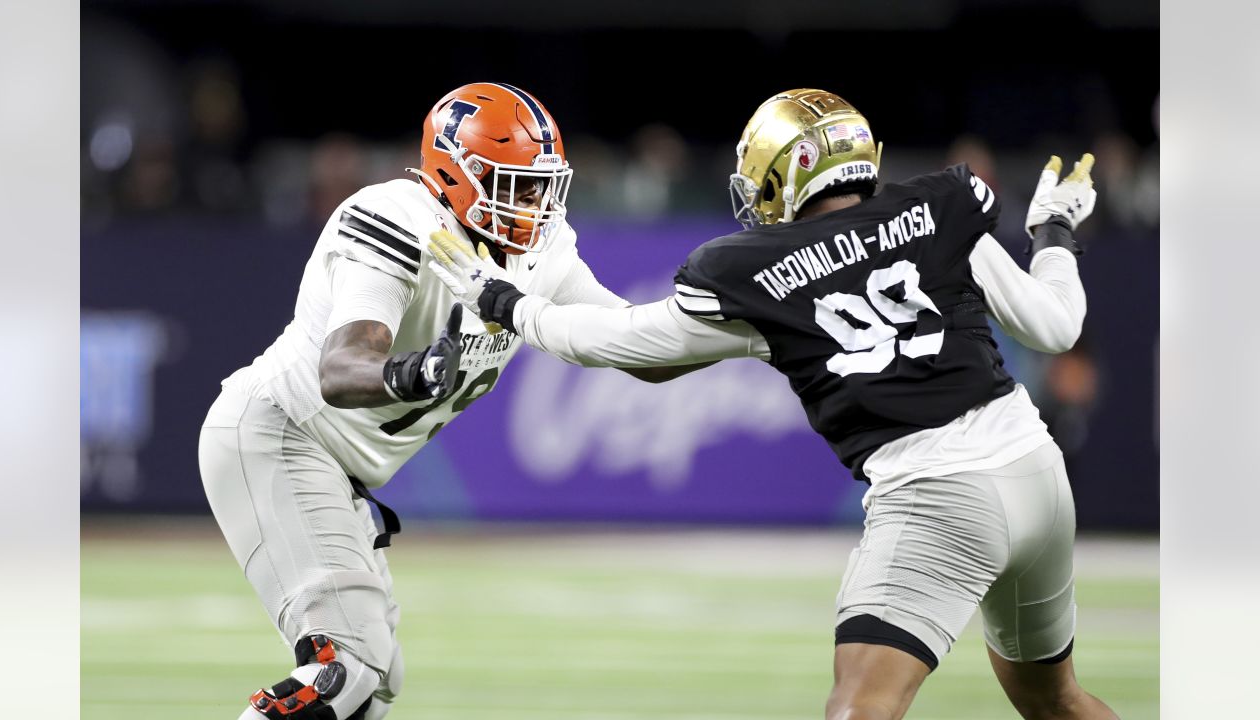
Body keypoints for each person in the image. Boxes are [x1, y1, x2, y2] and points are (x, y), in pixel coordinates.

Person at [428, 89, 1119, 719]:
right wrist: (1054, 230)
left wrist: (508, 304)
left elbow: (617, 342)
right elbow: (1055, 326)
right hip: (1035, 471)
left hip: (935, 492)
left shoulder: (750, 270)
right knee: (1055, 701)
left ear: (786, 174)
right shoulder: (942, 205)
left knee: (858, 710)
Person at [198, 82, 695, 720]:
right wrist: (422, 370)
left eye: (541, 184)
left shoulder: (542, 249)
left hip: (336, 468)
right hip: (282, 433)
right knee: (343, 669)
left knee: (371, 689)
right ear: (456, 174)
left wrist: (731, 325)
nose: (534, 203)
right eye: (512, 182)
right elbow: (342, 367)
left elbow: (638, 349)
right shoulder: (398, 218)